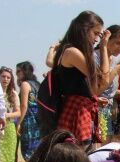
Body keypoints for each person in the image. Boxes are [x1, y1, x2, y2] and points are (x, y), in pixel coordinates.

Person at [45, 10, 108, 147]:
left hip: (76, 110)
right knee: (76, 154)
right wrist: (104, 48)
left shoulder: (69, 50)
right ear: (84, 30)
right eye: (95, 33)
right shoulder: (72, 52)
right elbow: (102, 81)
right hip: (76, 112)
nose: (97, 39)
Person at [95, 25, 120, 140]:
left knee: (107, 142)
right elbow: (99, 87)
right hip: (97, 106)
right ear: (107, 40)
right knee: (99, 143)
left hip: (109, 108)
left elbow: (111, 89)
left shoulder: (113, 60)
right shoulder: (95, 57)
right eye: (117, 43)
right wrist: (114, 71)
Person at [15, 61, 41, 161]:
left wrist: (19, 123)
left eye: (18, 71)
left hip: (29, 120)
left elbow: (24, 106)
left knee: (28, 150)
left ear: (25, 71)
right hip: (39, 120)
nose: (16, 74)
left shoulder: (25, 84)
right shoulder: (37, 84)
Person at [0, 67, 20, 162]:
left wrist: (6, 115)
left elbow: (18, 112)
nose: (5, 79)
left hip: (9, 128)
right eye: (3, 76)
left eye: (8, 77)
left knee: (9, 158)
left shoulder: (13, 94)